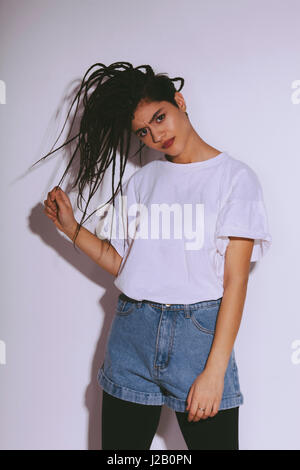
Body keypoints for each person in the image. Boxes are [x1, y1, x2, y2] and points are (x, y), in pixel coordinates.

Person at [41, 61, 272, 450]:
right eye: (143, 132)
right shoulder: (142, 182)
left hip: (198, 340)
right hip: (132, 331)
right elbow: (126, 266)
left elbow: (235, 282)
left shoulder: (235, 178)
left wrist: (214, 371)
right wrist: (71, 228)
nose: (155, 134)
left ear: (179, 102)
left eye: (160, 117)